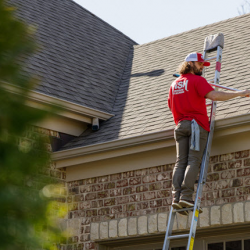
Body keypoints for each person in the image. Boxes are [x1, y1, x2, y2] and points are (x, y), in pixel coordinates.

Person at [168, 52, 250, 215]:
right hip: (196, 125)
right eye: (199, 64)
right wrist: (239, 93)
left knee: (180, 162)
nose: (201, 68)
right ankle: (185, 196)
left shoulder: (174, 84)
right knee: (193, 160)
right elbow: (214, 95)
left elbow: (171, 106)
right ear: (190, 64)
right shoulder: (198, 81)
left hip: (180, 126)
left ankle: (176, 198)